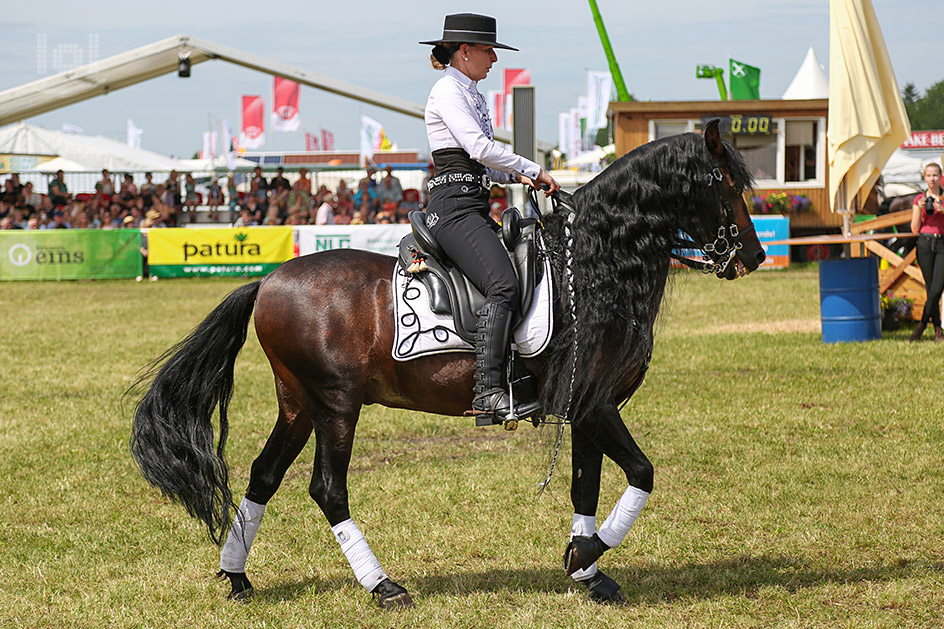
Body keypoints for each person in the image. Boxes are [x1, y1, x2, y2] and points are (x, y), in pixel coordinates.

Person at [420, 13, 560, 421]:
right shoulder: (447, 90)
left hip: (472, 203)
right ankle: (488, 392)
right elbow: (479, 149)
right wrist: (532, 168)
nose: (494, 59)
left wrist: (519, 175)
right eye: (489, 50)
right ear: (464, 52)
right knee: (503, 285)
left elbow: (482, 165)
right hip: (453, 210)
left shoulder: (472, 93)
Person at [910, 162, 944, 342]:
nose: (932, 179)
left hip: (942, 243)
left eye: (935, 175)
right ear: (925, 177)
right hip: (924, 243)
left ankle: (922, 325)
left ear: (940, 177)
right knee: (931, 288)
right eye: (929, 176)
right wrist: (920, 210)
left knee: (938, 288)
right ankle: (938, 330)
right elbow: (915, 229)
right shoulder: (918, 200)